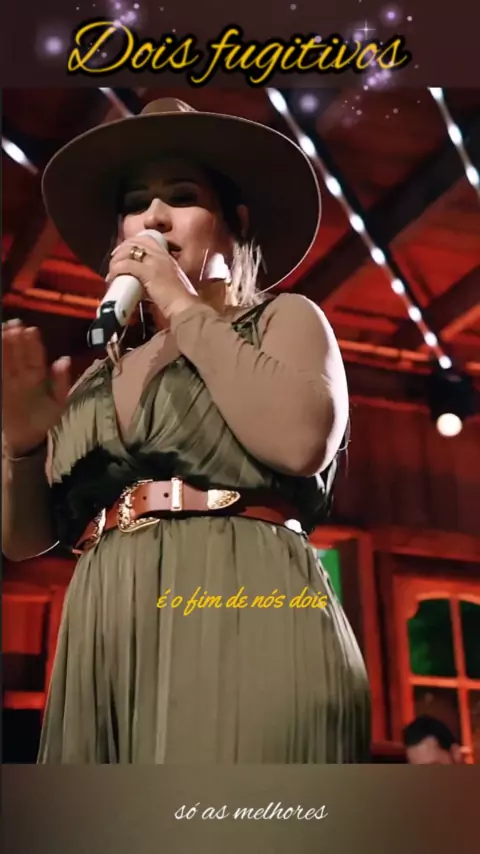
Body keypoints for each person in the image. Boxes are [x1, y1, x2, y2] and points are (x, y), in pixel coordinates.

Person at [2, 97, 370, 764]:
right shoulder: (92, 379)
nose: (153, 217)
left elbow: (301, 442)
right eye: (135, 203)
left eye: (181, 196)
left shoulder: (283, 320)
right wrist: (24, 448)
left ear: (235, 224)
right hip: (103, 632)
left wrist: (179, 301)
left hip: (245, 608)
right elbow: (25, 540)